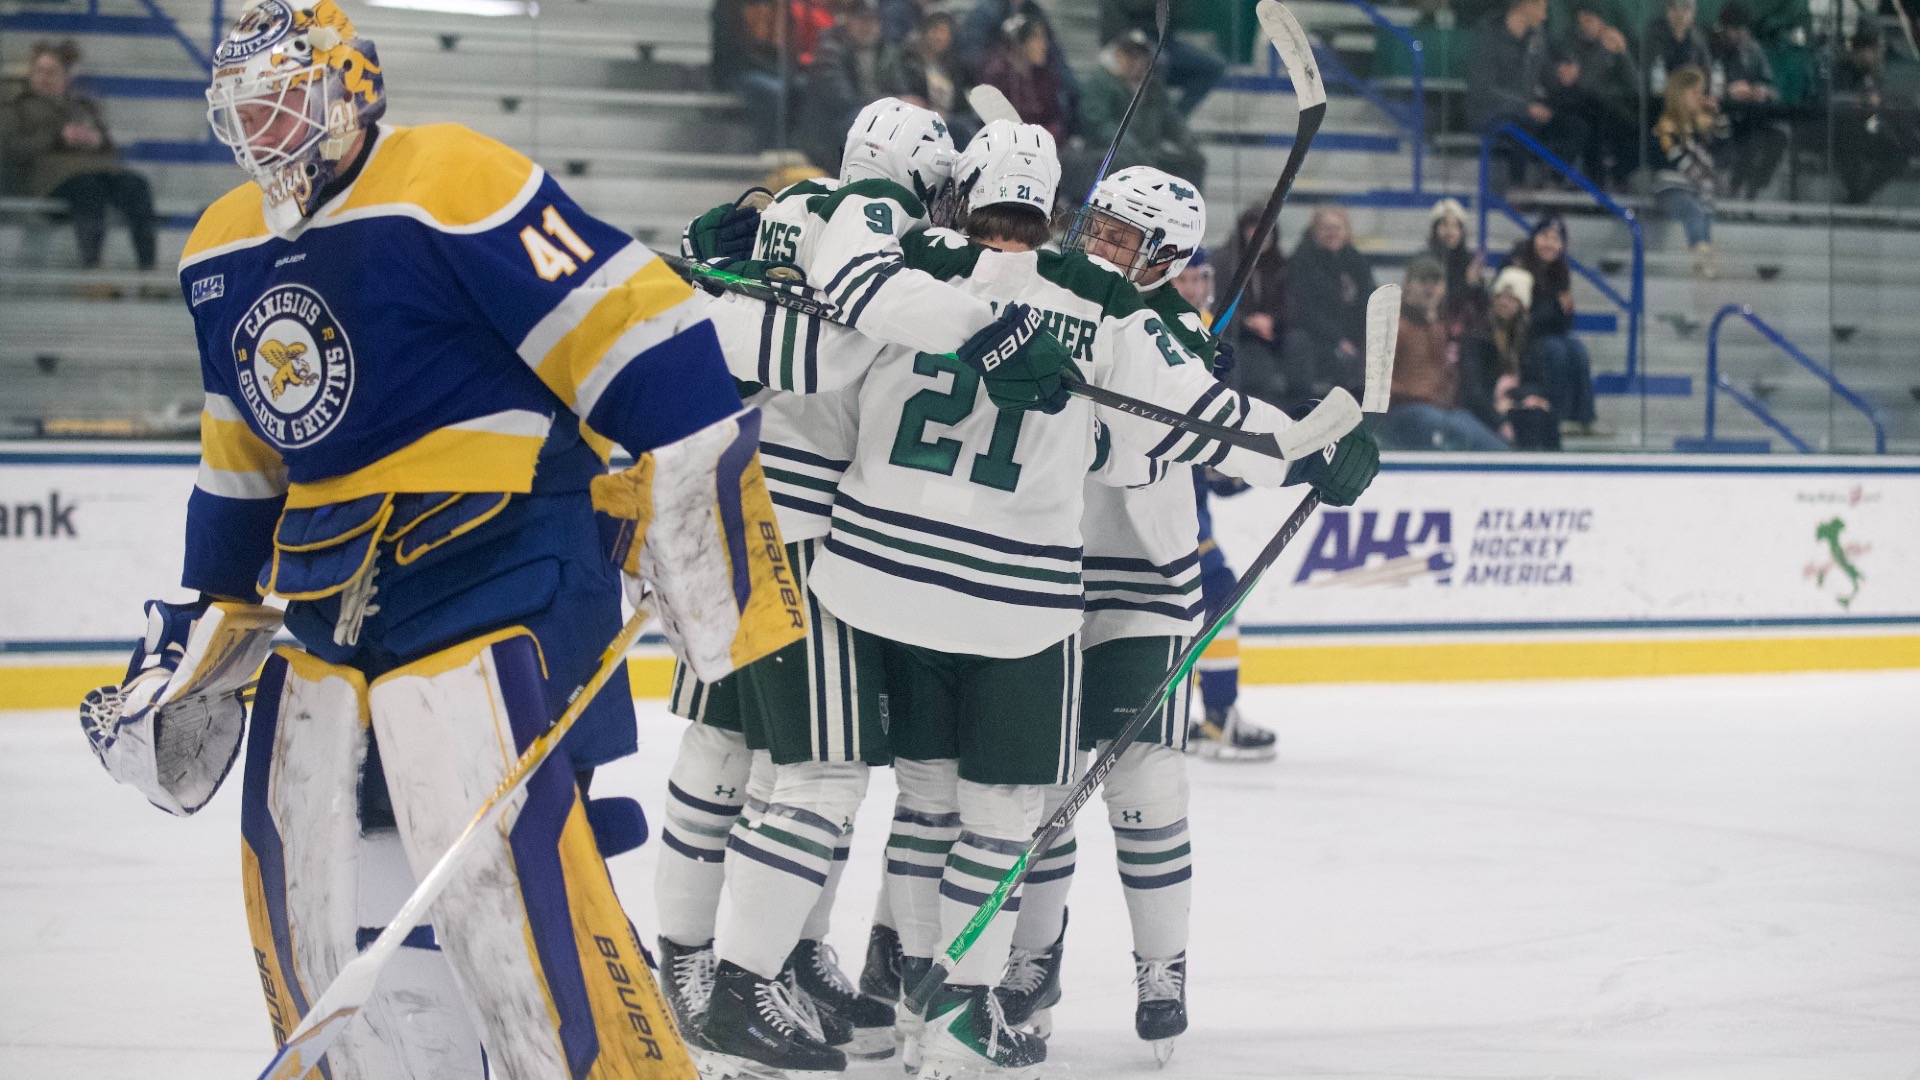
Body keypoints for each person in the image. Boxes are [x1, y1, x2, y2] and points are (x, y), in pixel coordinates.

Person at [76, 2, 810, 1076]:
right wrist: (202, 614)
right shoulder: (219, 244)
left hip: (507, 560)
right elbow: (239, 462)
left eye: (284, 101)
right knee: (335, 857)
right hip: (334, 596)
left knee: (513, 873)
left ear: (348, 89)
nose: (265, 131)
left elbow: (633, 321)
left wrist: (691, 492)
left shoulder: (451, 179)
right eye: (246, 112)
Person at [804, 121, 1370, 1078]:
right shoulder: (1101, 304)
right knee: (991, 805)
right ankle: (946, 989)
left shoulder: (945, 264)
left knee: (1100, 791)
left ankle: (1124, 971)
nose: (1103, 244)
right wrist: (1296, 449)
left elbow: (849, 271)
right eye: (1098, 225)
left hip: (1061, 579)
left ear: (1170, 259)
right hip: (1030, 589)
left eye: (1124, 237)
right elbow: (1177, 429)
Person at [664, 99, 1077, 1079]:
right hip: (792, 521)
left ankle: (741, 963)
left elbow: (724, 329)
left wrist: (702, 267)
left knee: (741, 753)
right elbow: (858, 304)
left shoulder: (789, 207)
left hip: (717, 491)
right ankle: (730, 987)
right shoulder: (870, 217)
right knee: (819, 775)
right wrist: (992, 325)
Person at [1, 40, 158, 274]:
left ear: (65, 76)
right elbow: (12, 149)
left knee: (136, 185)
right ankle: (92, 270)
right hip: (52, 179)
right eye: (39, 71)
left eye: (52, 72)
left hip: (99, 171)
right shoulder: (16, 108)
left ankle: (148, 269)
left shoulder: (84, 107)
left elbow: (111, 149)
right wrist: (57, 137)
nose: (44, 77)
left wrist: (97, 141)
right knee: (88, 189)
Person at [1373, 256, 1509, 451]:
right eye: (1423, 281)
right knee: (1448, 426)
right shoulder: (1391, 325)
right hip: (1401, 412)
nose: (1429, 289)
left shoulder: (1438, 328)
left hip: (1440, 412)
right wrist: (1415, 395)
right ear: (1408, 284)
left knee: (1482, 434)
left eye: (1436, 282)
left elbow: (1447, 375)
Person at [1076, 29, 1208, 192]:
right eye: (1131, 55)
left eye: (1141, 56)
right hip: (1109, 153)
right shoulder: (1099, 83)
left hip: (1148, 152)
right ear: (1118, 55)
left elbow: (1170, 119)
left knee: (1193, 161)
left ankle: (1187, 206)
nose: (1137, 62)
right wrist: (1130, 147)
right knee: (1129, 161)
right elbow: (1100, 124)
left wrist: (1187, 141)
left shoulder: (1152, 87)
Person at [1508, 214, 1597, 435]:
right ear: (1534, 237)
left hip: (1550, 332)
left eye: (1556, 239)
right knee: (1556, 351)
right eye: (1545, 237)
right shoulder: (1518, 264)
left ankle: (1585, 417)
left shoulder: (1560, 270)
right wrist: (1552, 308)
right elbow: (1523, 316)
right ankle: (1558, 416)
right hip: (1524, 336)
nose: (1549, 244)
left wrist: (1565, 311)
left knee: (1577, 350)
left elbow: (1564, 320)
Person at [1282, 205, 1376, 405]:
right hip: (1315, 337)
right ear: (1315, 231)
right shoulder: (1301, 261)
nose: (1332, 233)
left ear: (1346, 231)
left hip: (1352, 337)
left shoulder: (1357, 262)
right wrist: (1338, 339)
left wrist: (1355, 338)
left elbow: (1368, 303)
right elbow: (1304, 309)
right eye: (1326, 228)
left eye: (1337, 228)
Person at [1461, 266, 1561, 449]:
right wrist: (1498, 415)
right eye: (1500, 296)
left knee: (1542, 414)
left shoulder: (1529, 338)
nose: (1504, 303)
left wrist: (1516, 397)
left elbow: (1539, 381)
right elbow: (1473, 390)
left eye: (1511, 299)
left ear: (1521, 305)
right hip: (1485, 409)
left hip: (1514, 405)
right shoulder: (1478, 336)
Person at [1465, 0, 1551, 189]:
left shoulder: (1536, 40)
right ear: (1526, 5)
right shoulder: (1489, 36)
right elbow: (1483, 89)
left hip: (1523, 112)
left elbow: (1545, 78)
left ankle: (1556, 183)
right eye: (1541, 9)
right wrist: (1525, 107)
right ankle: (1517, 187)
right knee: (1519, 126)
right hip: (1488, 112)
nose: (1545, 16)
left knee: (1570, 124)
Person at [1653, 65, 1728, 277]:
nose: (1700, 98)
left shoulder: (1701, 123)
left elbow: (1722, 149)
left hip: (1698, 188)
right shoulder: (1667, 123)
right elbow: (1674, 156)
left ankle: (1704, 250)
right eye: (1695, 93)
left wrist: (1717, 115)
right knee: (1693, 210)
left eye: (1701, 93)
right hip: (1671, 187)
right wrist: (1701, 176)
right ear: (1679, 94)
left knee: (1706, 210)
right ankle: (1700, 253)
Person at [1711, 1, 1787, 199]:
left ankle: (1753, 188)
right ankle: (1731, 188)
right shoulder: (1711, 48)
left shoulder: (1753, 50)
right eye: (1734, 29)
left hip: (1751, 116)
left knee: (1779, 135)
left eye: (1743, 30)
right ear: (1724, 29)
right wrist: (1727, 92)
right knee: (1732, 134)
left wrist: (1762, 91)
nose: (1740, 35)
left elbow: (1772, 90)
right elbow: (1699, 89)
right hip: (1720, 116)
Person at [1563, 0, 1643, 188]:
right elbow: (1584, 86)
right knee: (1593, 119)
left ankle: (1621, 179)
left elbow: (1636, 88)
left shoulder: (1612, 43)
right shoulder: (1570, 43)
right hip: (1579, 108)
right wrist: (1603, 52)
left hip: (1612, 109)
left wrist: (1623, 53)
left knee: (1636, 126)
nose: (1587, 22)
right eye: (1584, 17)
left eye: (1592, 18)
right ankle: (1596, 183)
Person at [1830, 29, 1915, 205]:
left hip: (1869, 128)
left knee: (1899, 153)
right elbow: (1834, 100)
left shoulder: (1873, 75)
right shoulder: (1841, 70)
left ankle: (1859, 197)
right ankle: (1856, 196)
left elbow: (1879, 106)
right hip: (1838, 130)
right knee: (1850, 144)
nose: (1878, 56)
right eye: (1875, 50)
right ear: (1863, 50)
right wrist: (1863, 99)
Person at [1098, 0, 1226, 116]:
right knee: (1155, 62)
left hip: (1164, 42)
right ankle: (1147, 120)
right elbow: (1113, 24)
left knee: (1212, 68)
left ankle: (1172, 121)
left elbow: (1183, 15)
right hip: (1127, 43)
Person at [1218, 204, 1290, 407]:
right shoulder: (1224, 262)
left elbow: (1291, 305)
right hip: (1239, 334)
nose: (1262, 234)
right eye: (1253, 228)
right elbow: (1217, 304)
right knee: (1254, 356)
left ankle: (1299, 404)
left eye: (1267, 229)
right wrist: (1247, 322)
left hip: (1274, 333)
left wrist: (1271, 320)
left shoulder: (1281, 265)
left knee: (1298, 343)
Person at [806, 0, 888, 172]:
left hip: (869, 114)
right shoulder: (830, 48)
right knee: (867, 122)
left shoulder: (885, 50)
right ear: (847, 21)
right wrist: (883, 103)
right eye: (861, 20)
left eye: (872, 21)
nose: (867, 26)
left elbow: (902, 90)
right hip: (832, 129)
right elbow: (842, 100)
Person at [712, 0, 803, 152]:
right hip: (739, 71)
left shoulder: (781, 5)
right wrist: (779, 71)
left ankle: (804, 151)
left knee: (805, 86)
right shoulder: (730, 5)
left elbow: (788, 44)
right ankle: (770, 151)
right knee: (775, 92)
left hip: (774, 71)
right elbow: (738, 52)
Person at [975, 12, 1071, 139]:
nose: (1043, 45)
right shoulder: (998, 75)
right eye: (1036, 39)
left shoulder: (1044, 74)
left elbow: (1054, 115)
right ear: (1020, 43)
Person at [880, 9, 965, 134]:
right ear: (924, 32)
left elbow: (961, 104)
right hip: (917, 117)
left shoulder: (954, 66)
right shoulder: (906, 59)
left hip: (948, 118)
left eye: (945, 32)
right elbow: (906, 93)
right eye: (936, 30)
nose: (940, 37)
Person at [1427, 197, 1486, 331]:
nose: (1450, 232)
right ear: (1435, 229)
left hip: (1463, 327)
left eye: (1455, 226)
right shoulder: (1425, 260)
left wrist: (1474, 284)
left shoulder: (1470, 261)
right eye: (1444, 225)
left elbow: (1481, 306)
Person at [1643, 0, 1713, 96]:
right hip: (1660, 99)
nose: (1679, 13)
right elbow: (1648, 80)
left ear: (1693, 13)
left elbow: (1706, 76)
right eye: (1674, 7)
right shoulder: (1654, 40)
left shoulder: (1698, 41)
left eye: (1685, 7)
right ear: (1666, 11)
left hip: (1692, 99)